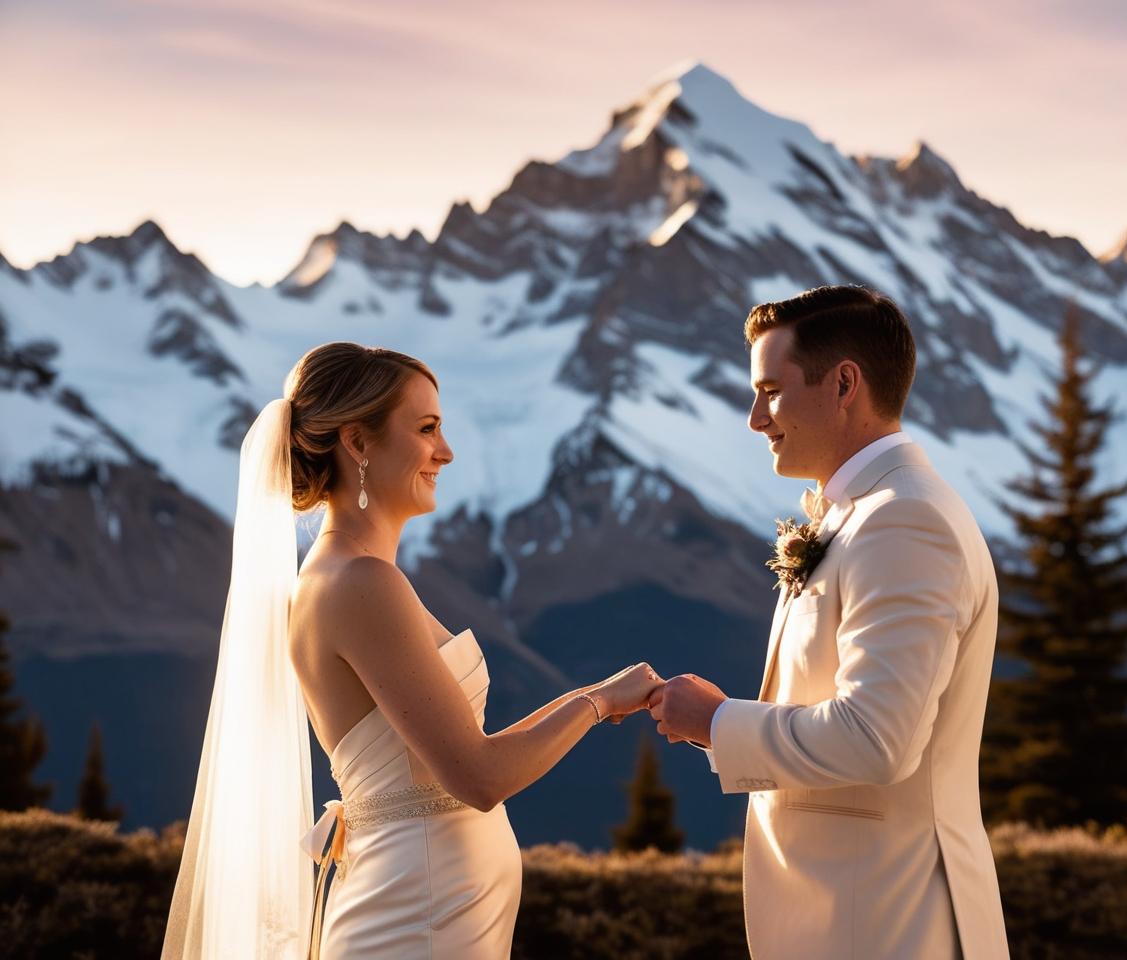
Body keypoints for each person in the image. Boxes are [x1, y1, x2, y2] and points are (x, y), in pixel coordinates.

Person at [162, 341, 662, 959]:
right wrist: (599, 699)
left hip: (431, 905)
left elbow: (459, 755)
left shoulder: (352, 575)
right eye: (427, 429)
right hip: (416, 914)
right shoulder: (360, 583)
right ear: (359, 443)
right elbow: (478, 776)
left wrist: (596, 698)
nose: (445, 452)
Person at [649, 286, 1010, 959]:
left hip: (891, 926)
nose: (756, 418)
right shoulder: (859, 516)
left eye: (771, 391)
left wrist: (718, 722)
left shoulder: (905, 520)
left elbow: (879, 739)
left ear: (845, 384)